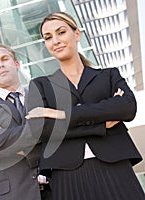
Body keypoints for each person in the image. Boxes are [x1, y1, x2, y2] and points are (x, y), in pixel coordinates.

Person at [25, 11, 145, 200]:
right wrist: (100, 124)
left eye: (61, 32)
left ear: (77, 34)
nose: (55, 40)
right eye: (48, 37)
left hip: (114, 164)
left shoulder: (108, 75)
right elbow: (39, 129)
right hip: (65, 172)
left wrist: (62, 115)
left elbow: (127, 107)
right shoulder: (40, 85)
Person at [0, 44, 47, 200]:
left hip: (57, 185)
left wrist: (3, 135)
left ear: (17, 64)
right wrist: (40, 133)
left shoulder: (44, 97)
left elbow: (59, 132)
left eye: (5, 59)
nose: (0, 64)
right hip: (11, 194)